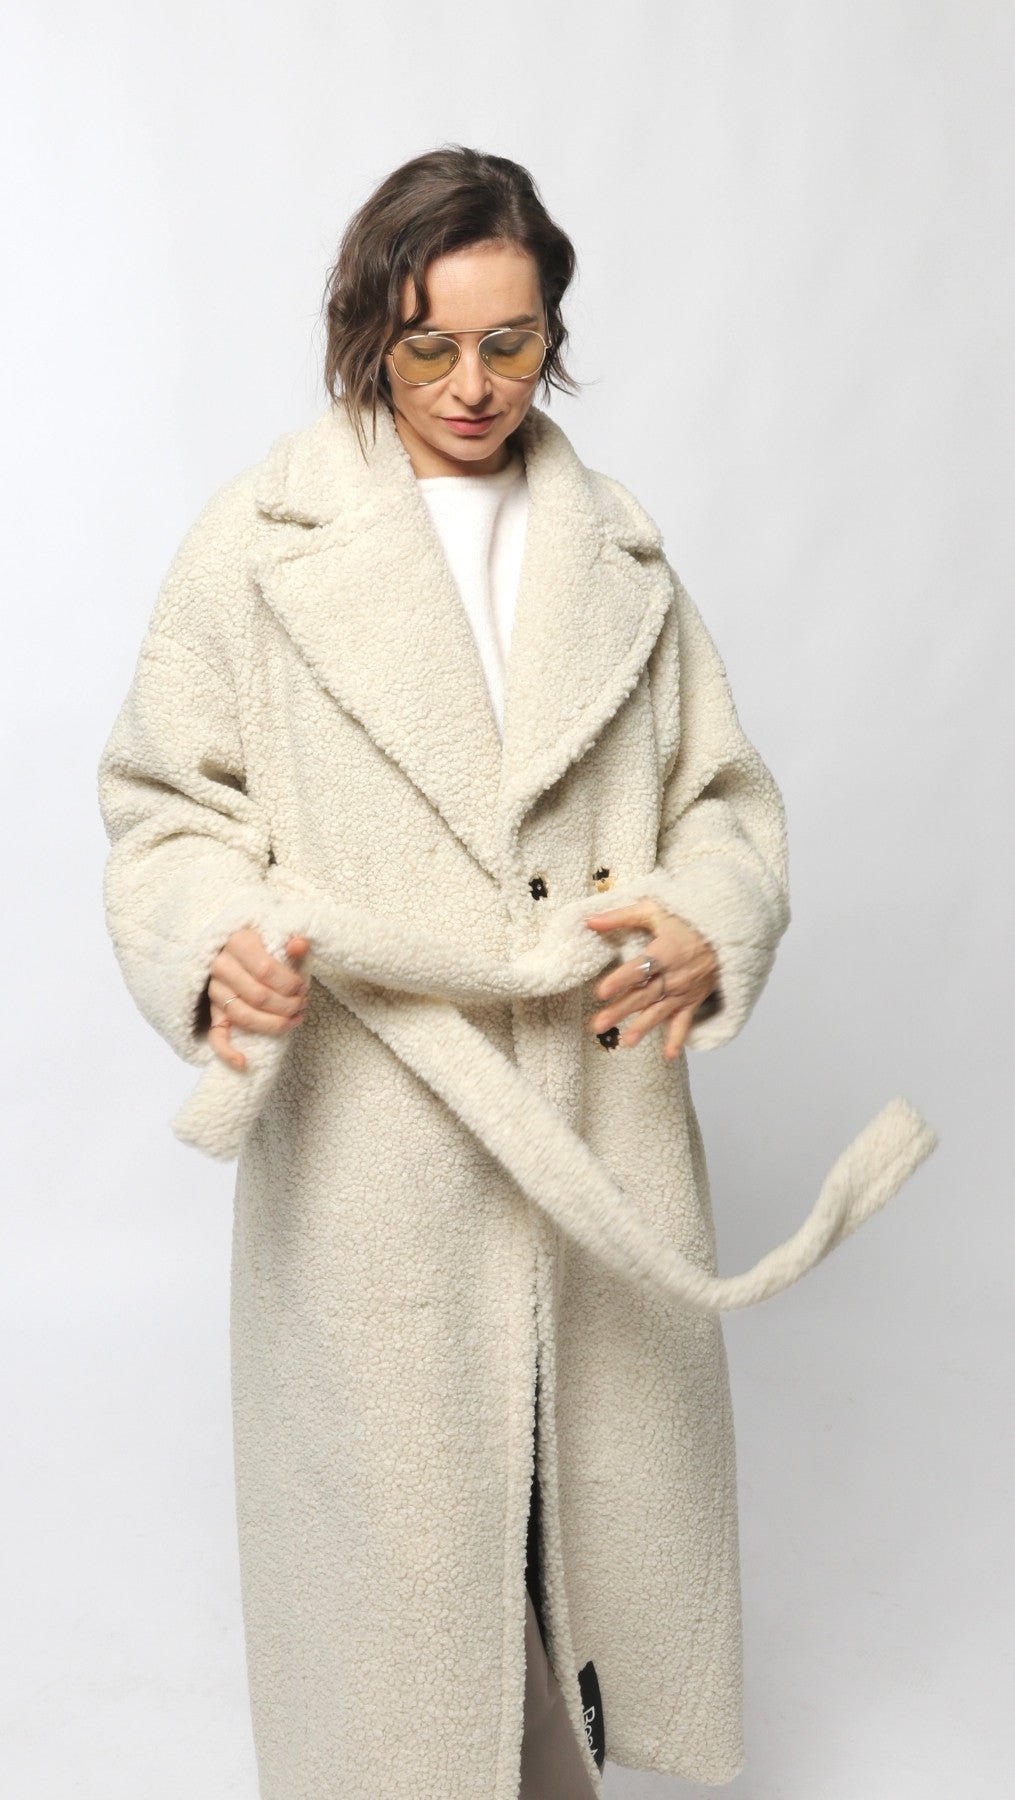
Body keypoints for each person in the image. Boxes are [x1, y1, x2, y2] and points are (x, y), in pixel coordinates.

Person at [97, 144, 937, 1800]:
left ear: (555, 329)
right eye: (429, 346)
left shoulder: (619, 552)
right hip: (375, 1123)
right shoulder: (257, 541)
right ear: (365, 328)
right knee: (402, 1551)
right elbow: (164, 807)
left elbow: (723, 803)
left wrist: (705, 917)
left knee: (585, 1503)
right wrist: (215, 949)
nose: (473, 386)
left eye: (512, 341)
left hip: (594, 1112)